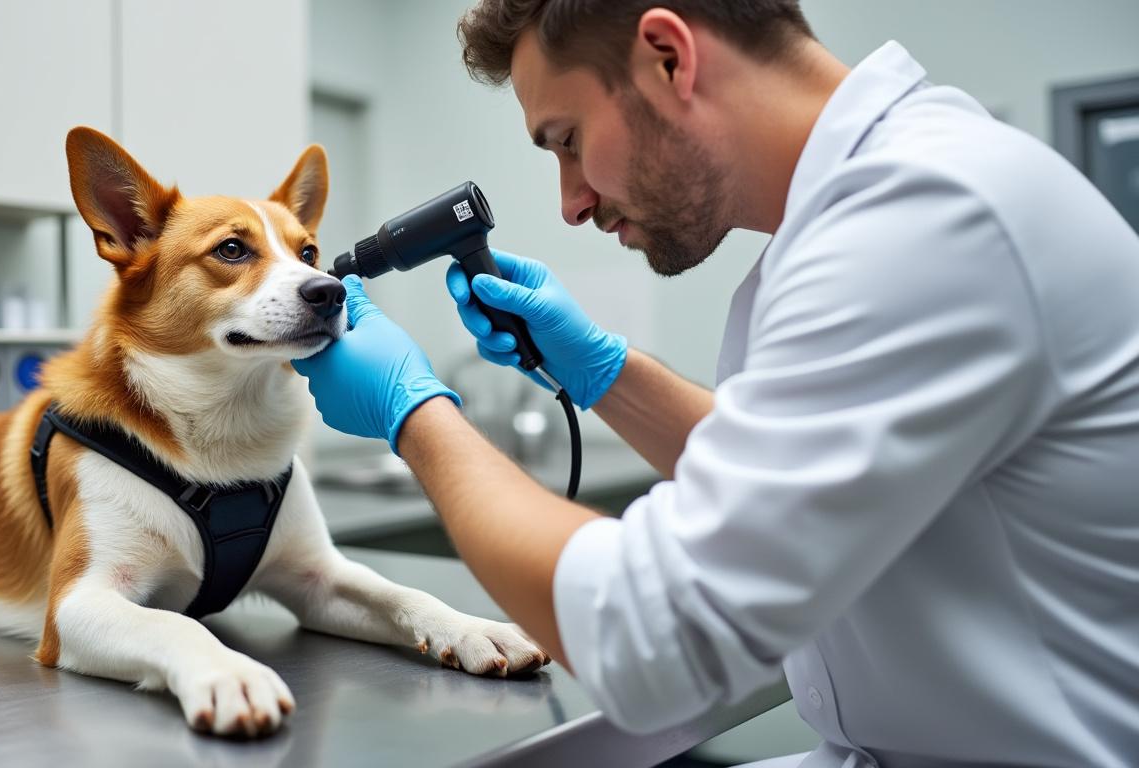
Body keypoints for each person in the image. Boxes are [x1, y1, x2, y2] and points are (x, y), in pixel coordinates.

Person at [292, 2, 1139, 766]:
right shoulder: (860, 217)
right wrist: (603, 371)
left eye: (567, 140)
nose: (572, 202)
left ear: (668, 57)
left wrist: (417, 411)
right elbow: (787, 474)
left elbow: (651, 641)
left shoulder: (923, 219)